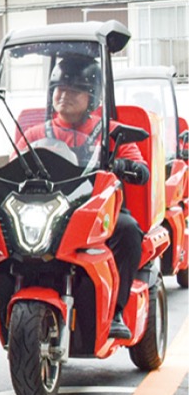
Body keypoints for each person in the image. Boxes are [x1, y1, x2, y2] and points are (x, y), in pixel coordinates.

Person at [21, 52, 148, 340]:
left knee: (128, 232)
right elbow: (11, 168)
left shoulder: (112, 133)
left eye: (75, 90)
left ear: (92, 97)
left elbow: (141, 168)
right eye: (60, 89)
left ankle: (116, 309)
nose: (64, 95)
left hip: (97, 212)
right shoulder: (33, 133)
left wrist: (129, 166)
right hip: (48, 212)